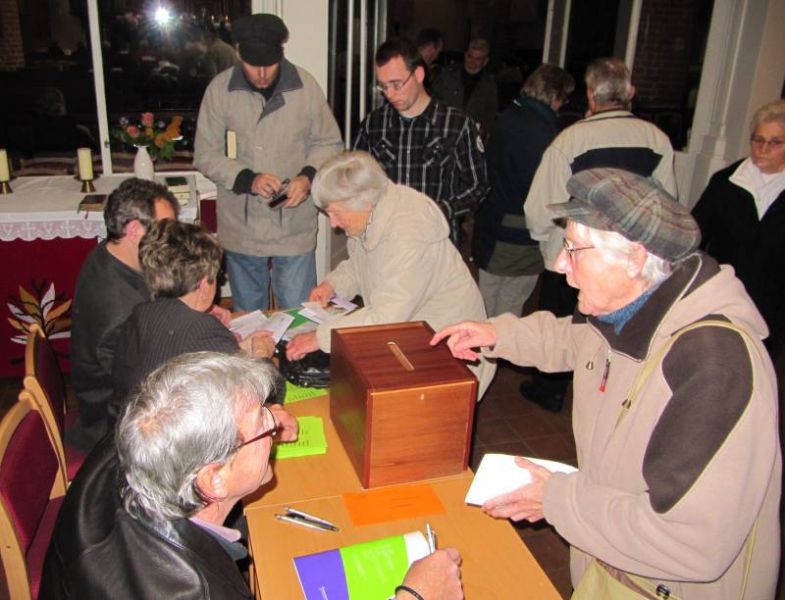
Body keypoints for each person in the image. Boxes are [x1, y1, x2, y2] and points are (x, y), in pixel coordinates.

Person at [433, 168, 781, 600]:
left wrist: (555, 499)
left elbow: (691, 542)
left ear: (634, 257)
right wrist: (496, 334)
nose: (559, 264)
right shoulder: (632, 308)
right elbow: (575, 339)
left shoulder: (712, 367)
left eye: (573, 249)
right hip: (610, 560)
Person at [41, 352, 464, 599]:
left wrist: (255, 418)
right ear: (214, 479)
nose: (276, 425)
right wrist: (413, 596)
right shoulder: (193, 590)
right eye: (263, 423)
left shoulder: (141, 437)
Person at [522, 56, 677, 412]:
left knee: (566, 329)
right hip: (631, 265)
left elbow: (540, 208)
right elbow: (666, 207)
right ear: (630, 92)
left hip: (577, 258)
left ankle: (552, 390)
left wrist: (549, 247)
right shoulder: (657, 140)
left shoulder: (570, 140)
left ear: (591, 94)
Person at [285, 151, 495, 398]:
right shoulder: (372, 212)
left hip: (450, 351)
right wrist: (333, 285)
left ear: (362, 202)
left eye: (335, 212)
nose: (333, 223)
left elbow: (386, 316)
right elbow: (360, 263)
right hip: (413, 338)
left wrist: (320, 338)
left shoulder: (408, 234)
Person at [194, 13, 343, 311]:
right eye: (254, 64)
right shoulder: (220, 90)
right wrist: (247, 179)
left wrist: (307, 177)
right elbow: (205, 154)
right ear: (239, 53)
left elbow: (329, 143)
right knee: (251, 317)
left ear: (281, 53)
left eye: (269, 64)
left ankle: (297, 347)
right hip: (242, 225)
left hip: (294, 223)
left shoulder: (306, 87)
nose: (262, 73)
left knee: (300, 314)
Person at [111, 220, 279, 420]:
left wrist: (236, 351)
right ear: (204, 284)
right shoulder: (204, 330)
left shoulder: (138, 314)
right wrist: (261, 356)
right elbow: (263, 401)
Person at [67, 178, 181, 453]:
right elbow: (155, 388)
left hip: (123, 397)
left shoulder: (110, 255)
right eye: (165, 229)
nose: (172, 238)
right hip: (118, 430)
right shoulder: (121, 313)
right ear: (134, 230)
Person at [353, 37, 488, 245]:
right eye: (383, 87)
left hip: (437, 243)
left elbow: (478, 186)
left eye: (396, 84)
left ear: (418, 74)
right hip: (386, 242)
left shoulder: (457, 124)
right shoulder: (373, 124)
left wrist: (439, 210)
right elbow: (356, 179)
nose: (390, 94)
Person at [472, 64, 574, 317]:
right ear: (555, 96)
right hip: (520, 233)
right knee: (510, 305)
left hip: (491, 225)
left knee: (485, 299)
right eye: (564, 99)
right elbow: (545, 192)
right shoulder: (545, 133)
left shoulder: (506, 117)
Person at [693, 98, 785, 362]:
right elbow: (695, 234)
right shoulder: (727, 182)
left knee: (760, 365)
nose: (763, 149)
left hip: (774, 304)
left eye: (775, 142)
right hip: (726, 295)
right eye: (758, 140)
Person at [432, 38, 498, 140]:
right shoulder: (447, 75)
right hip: (444, 130)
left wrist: (484, 130)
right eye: (470, 56)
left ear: (485, 62)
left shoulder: (489, 85)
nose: (472, 62)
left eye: (478, 59)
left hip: (470, 134)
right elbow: (432, 98)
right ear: (465, 55)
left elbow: (491, 113)